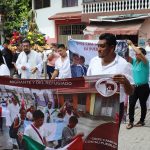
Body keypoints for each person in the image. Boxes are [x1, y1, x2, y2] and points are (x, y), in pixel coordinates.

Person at [87, 33, 134, 125]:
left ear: (112, 48)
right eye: (98, 46)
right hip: (95, 105)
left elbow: (131, 92)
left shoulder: (123, 65)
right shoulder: (94, 62)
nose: (99, 49)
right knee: (95, 135)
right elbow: (88, 83)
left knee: (110, 137)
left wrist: (125, 82)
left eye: (102, 46)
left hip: (115, 107)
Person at [126, 40, 150, 129]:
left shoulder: (145, 63)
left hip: (143, 87)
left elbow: (139, 52)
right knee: (131, 104)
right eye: (135, 53)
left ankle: (142, 121)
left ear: (142, 55)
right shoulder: (135, 61)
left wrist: (132, 44)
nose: (136, 54)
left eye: (137, 53)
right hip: (134, 87)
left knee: (142, 104)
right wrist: (124, 46)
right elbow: (126, 57)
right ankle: (130, 121)